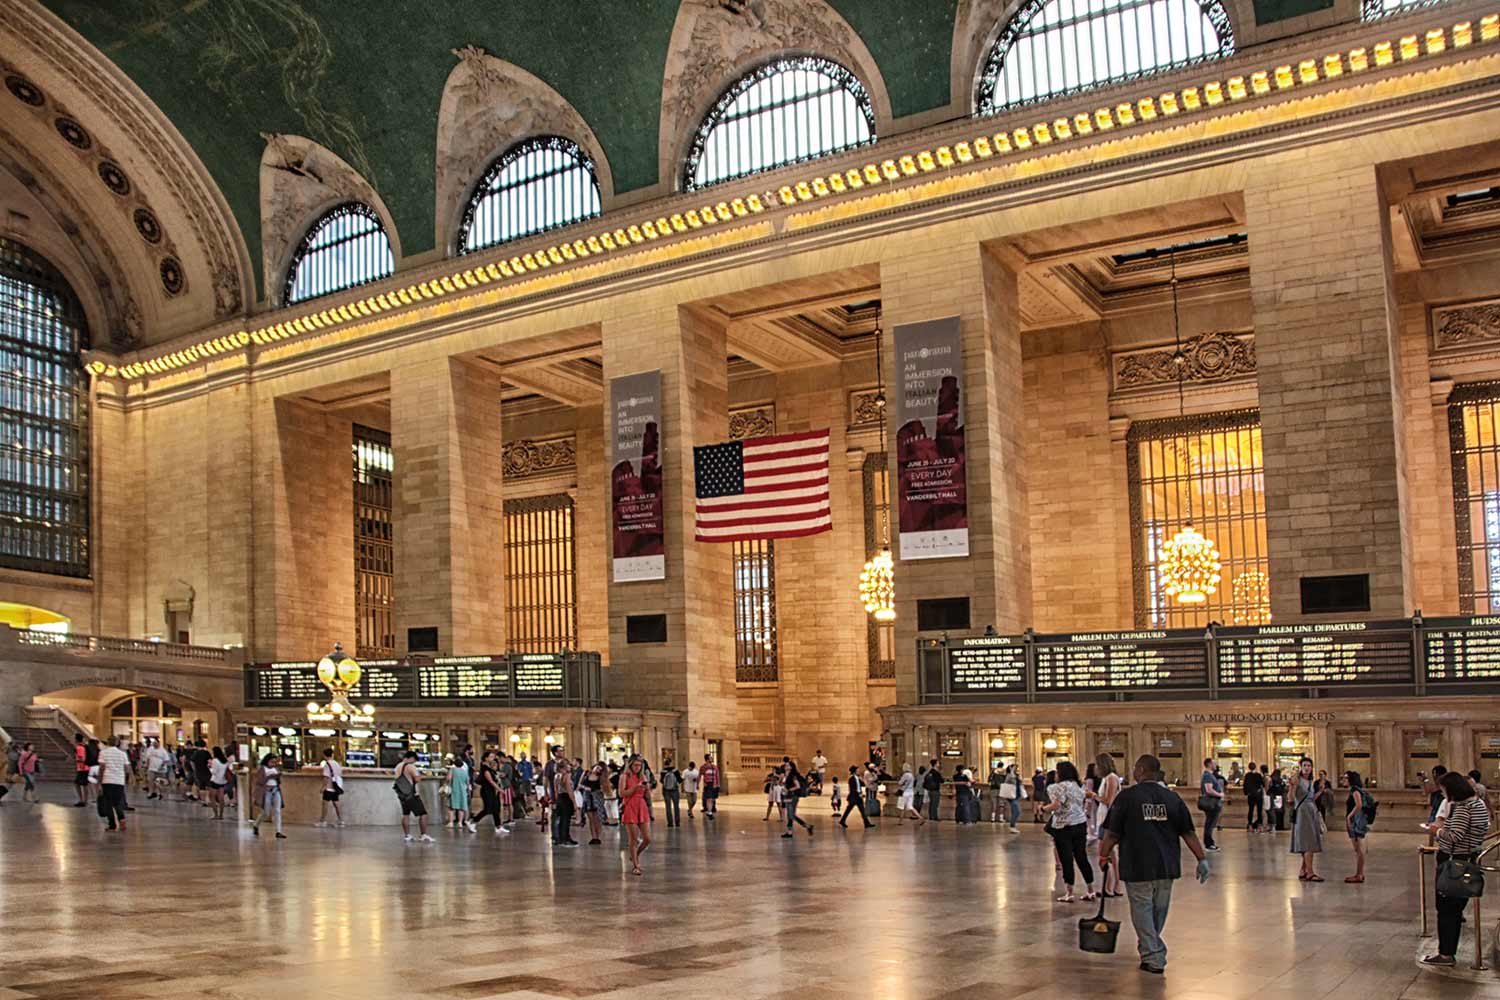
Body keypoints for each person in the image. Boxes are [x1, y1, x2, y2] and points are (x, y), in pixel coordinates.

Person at [1098, 754, 1211, 975]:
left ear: (1140, 770)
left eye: (1134, 768)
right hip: (1166, 865)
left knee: (1142, 912)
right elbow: (1188, 832)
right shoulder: (1172, 798)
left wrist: (1103, 856)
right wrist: (1201, 858)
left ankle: (1153, 955)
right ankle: (1150, 949)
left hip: (1137, 864)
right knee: (1158, 912)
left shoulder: (1127, 797)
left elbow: (1112, 833)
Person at [1424, 771, 1492, 967]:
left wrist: (1436, 831)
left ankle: (1446, 953)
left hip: (1455, 861)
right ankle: (1447, 950)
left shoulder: (1463, 808)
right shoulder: (1478, 804)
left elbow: (1455, 836)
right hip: (1470, 858)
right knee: (1455, 907)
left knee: (1447, 908)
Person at [1045, 761, 1098, 902]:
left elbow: (1056, 805)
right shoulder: (1077, 785)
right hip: (1080, 824)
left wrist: (1043, 808)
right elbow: (1085, 795)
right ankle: (1090, 890)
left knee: (1066, 859)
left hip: (1063, 827)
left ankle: (1069, 892)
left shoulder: (1055, 787)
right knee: (1082, 857)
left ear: (1061, 773)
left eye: (1057, 772)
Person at [1289, 756, 1325, 881]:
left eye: (1309, 766)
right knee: (1308, 842)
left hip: (1311, 812)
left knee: (1308, 840)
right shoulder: (1296, 780)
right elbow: (1290, 798)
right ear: (1301, 767)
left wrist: (1320, 792)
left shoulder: (1310, 781)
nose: (1307, 768)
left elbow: (1310, 798)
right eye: (1304, 765)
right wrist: (1292, 787)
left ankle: (1303, 869)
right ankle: (1310, 872)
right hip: (1302, 813)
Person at [1092, 754, 1123, 896]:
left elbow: (1109, 800)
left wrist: (1093, 796)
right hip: (1103, 818)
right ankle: (1112, 885)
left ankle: (1111, 886)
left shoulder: (1111, 778)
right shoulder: (1107, 778)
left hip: (1107, 819)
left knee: (1106, 852)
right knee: (1111, 854)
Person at [620, 757, 652, 874]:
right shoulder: (624, 777)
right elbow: (622, 793)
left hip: (641, 806)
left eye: (639, 765)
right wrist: (635, 787)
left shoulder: (642, 776)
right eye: (635, 765)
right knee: (633, 839)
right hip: (630, 806)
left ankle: (635, 855)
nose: (637, 768)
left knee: (647, 838)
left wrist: (647, 788)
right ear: (630, 765)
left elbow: (647, 796)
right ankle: (636, 865)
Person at [393, 750, 432, 842]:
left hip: (402, 794)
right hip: (411, 794)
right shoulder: (411, 766)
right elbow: (417, 779)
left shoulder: (398, 766)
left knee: (406, 814)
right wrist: (421, 776)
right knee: (423, 814)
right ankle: (423, 835)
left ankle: (407, 835)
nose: (415, 762)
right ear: (411, 758)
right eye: (415, 760)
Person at [97, 736, 131, 832]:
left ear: (107, 742)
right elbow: (127, 768)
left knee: (108, 803)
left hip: (107, 780)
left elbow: (102, 768)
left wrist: (99, 782)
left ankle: (112, 825)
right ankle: (122, 819)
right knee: (117, 802)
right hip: (119, 781)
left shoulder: (103, 753)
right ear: (117, 743)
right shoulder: (122, 754)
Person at [1343, 770, 1370, 883]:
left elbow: (1358, 804)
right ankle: (1360, 873)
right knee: (1359, 849)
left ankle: (1359, 874)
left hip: (1356, 822)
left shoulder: (1355, 790)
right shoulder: (1357, 790)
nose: (1343, 780)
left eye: (1345, 778)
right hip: (1358, 821)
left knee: (1358, 849)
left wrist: (1349, 816)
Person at [252, 752, 286, 838]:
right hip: (266, 791)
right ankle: (256, 824)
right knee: (266, 813)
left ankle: (278, 831)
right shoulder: (262, 769)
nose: (273, 764)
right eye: (271, 762)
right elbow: (260, 781)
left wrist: (277, 776)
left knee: (277, 810)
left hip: (276, 790)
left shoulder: (275, 769)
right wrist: (269, 777)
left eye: (274, 762)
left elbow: (278, 781)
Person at [551, 752, 579, 847]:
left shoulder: (556, 776)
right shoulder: (566, 776)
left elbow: (555, 790)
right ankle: (564, 839)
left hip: (559, 798)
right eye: (568, 765)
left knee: (561, 819)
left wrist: (555, 800)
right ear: (564, 767)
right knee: (566, 819)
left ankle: (562, 837)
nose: (570, 766)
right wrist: (574, 802)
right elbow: (569, 789)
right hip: (566, 798)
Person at [782, 760, 815, 837]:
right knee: (790, 815)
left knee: (791, 815)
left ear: (791, 767)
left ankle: (806, 827)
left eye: (787, 765)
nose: (785, 766)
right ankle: (805, 827)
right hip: (788, 796)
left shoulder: (793, 775)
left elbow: (798, 786)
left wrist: (789, 790)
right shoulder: (787, 775)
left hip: (792, 796)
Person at [1197, 758, 1224, 851]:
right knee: (1210, 823)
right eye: (1214, 763)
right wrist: (1219, 794)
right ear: (1209, 764)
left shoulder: (1209, 775)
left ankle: (1209, 843)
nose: (1216, 765)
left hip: (1213, 803)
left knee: (1210, 823)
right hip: (1212, 803)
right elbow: (1209, 790)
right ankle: (1209, 843)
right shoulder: (1208, 776)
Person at [315, 747, 344, 827]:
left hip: (328, 788)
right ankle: (340, 820)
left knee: (325, 804)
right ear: (332, 754)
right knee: (336, 804)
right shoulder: (337, 764)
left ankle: (323, 821)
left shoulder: (327, 765)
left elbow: (326, 777)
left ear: (324, 756)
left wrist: (323, 787)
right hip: (336, 787)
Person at [447, 753, 471, 831]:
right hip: (463, 790)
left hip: (454, 789)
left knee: (451, 807)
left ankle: (450, 822)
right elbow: (467, 782)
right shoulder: (465, 772)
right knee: (461, 807)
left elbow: (448, 778)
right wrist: (468, 790)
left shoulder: (452, 769)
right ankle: (460, 822)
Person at [207, 746, 231, 820]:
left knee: (212, 797)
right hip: (222, 781)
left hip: (215, 780)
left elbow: (214, 772)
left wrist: (209, 767)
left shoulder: (215, 760)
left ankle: (215, 814)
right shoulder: (225, 761)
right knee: (221, 798)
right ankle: (221, 815)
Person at [1242, 760, 1266, 833]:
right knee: (1259, 811)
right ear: (1255, 767)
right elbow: (1263, 784)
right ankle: (1260, 826)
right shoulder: (1258, 775)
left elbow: (1245, 785)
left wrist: (1246, 793)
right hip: (1258, 795)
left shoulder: (1247, 775)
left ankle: (1250, 825)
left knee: (1251, 810)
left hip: (1251, 795)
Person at [1000, 764, 1024, 833]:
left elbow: (1020, 783)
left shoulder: (1016, 776)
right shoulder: (1009, 776)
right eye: (1015, 768)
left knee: (1015, 811)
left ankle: (1013, 826)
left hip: (1016, 795)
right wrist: (1012, 770)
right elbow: (1010, 780)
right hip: (1011, 796)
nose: (1017, 769)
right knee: (1017, 811)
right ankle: (1012, 826)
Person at [659, 758, 682, 827]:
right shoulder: (675, 771)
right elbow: (680, 780)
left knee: (668, 807)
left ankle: (670, 823)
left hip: (666, 790)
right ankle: (677, 822)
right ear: (671, 762)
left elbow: (661, 781)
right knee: (676, 806)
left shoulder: (663, 771)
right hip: (674, 790)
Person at [700, 754, 721, 820]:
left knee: (712, 799)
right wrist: (697, 784)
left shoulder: (715, 767)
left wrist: (718, 785)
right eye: (710, 758)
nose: (712, 759)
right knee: (709, 798)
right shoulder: (703, 767)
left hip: (714, 785)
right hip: (708, 785)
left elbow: (717, 776)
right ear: (707, 759)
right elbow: (699, 775)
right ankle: (709, 812)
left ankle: (710, 810)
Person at [73, 732, 89, 806]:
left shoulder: (79, 748)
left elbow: (82, 759)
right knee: (82, 784)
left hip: (82, 768)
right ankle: (83, 800)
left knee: (79, 784)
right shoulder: (83, 746)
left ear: (76, 739)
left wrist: (74, 760)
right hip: (84, 768)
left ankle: (83, 800)